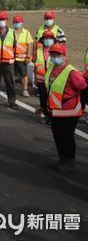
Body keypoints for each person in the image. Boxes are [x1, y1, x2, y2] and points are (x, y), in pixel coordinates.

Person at [44, 43, 87, 172]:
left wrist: (82, 106)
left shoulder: (72, 72)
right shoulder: (51, 67)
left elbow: (84, 88)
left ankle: (70, 161)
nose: (54, 57)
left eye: (57, 55)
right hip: (56, 110)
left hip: (69, 112)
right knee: (57, 135)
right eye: (52, 54)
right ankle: (62, 158)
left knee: (67, 136)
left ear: (64, 55)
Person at [33, 30, 56, 125]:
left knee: (52, 100)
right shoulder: (38, 50)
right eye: (46, 38)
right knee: (43, 99)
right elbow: (35, 64)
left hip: (52, 81)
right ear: (43, 39)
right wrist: (35, 78)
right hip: (41, 80)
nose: (48, 40)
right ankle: (46, 115)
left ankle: (52, 117)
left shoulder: (56, 51)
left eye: (50, 38)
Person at [12, 15, 34, 97]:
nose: (16, 24)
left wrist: (28, 56)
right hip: (12, 58)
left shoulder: (26, 33)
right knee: (12, 75)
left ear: (22, 23)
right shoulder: (11, 32)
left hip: (22, 58)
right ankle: (12, 89)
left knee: (24, 75)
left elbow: (30, 45)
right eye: (15, 22)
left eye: (18, 22)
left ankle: (25, 90)